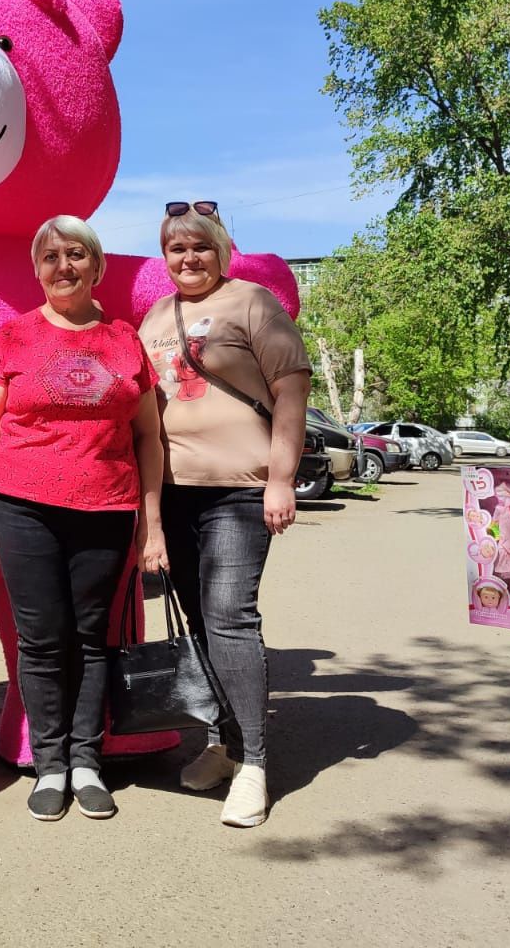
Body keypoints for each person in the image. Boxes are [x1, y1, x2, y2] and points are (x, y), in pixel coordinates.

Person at [0, 215, 166, 822]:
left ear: (97, 265)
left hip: (107, 507)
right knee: (42, 640)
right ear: (37, 269)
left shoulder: (124, 340)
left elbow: (149, 439)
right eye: (51, 257)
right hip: (23, 505)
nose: (64, 266)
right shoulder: (12, 337)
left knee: (93, 638)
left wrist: (152, 524)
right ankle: (49, 763)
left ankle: (86, 761)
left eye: (76, 255)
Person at [137, 201, 311, 828]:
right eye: (176, 250)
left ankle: (257, 763)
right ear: (165, 258)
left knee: (230, 616)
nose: (189, 259)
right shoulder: (156, 317)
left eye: (200, 248)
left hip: (241, 489)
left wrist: (281, 478)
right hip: (176, 490)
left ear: (222, 250)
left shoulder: (252, 302)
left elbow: (292, 386)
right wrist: (149, 514)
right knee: (201, 626)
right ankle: (223, 743)